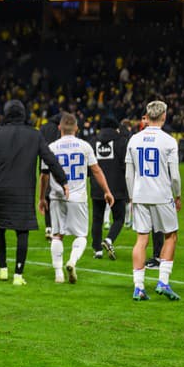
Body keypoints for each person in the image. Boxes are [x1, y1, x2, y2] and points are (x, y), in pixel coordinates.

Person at [0, 100, 67, 285]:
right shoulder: (34, 135)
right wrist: (63, 180)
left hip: (0, 188)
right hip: (24, 189)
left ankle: (3, 269)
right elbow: (50, 159)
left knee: (0, 228)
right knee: (23, 231)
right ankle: (18, 275)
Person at [45, 113, 113, 284]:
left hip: (57, 196)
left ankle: (58, 273)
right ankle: (72, 261)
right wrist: (106, 190)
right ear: (76, 128)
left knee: (57, 235)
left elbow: (44, 175)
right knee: (81, 235)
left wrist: (41, 198)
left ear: (59, 127)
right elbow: (96, 170)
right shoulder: (84, 146)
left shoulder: (51, 147)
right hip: (78, 197)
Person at [125, 101, 182, 301]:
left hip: (140, 195)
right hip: (161, 195)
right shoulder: (169, 141)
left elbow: (128, 174)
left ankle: (138, 287)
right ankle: (163, 282)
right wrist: (177, 194)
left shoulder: (134, 139)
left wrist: (132, 196)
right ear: (164, 116)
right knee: (171, 235)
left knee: (141, 239)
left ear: (147, 117)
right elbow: (174, 176)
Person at [90, 116, 128, 260]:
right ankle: (109, 239)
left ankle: (97, 250)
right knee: (119, 218)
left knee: (97, 219)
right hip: (117, 186)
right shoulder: (121, 142)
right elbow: (126, 165)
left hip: (98, 185)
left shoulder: (93, 142)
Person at [39, 112, 62, 237]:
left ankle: (48, 227)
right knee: (58, 193)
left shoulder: (43, 127)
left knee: (47, 194)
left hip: (44, 161)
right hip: (58, 162)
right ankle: (58, 226)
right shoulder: (61, 127)